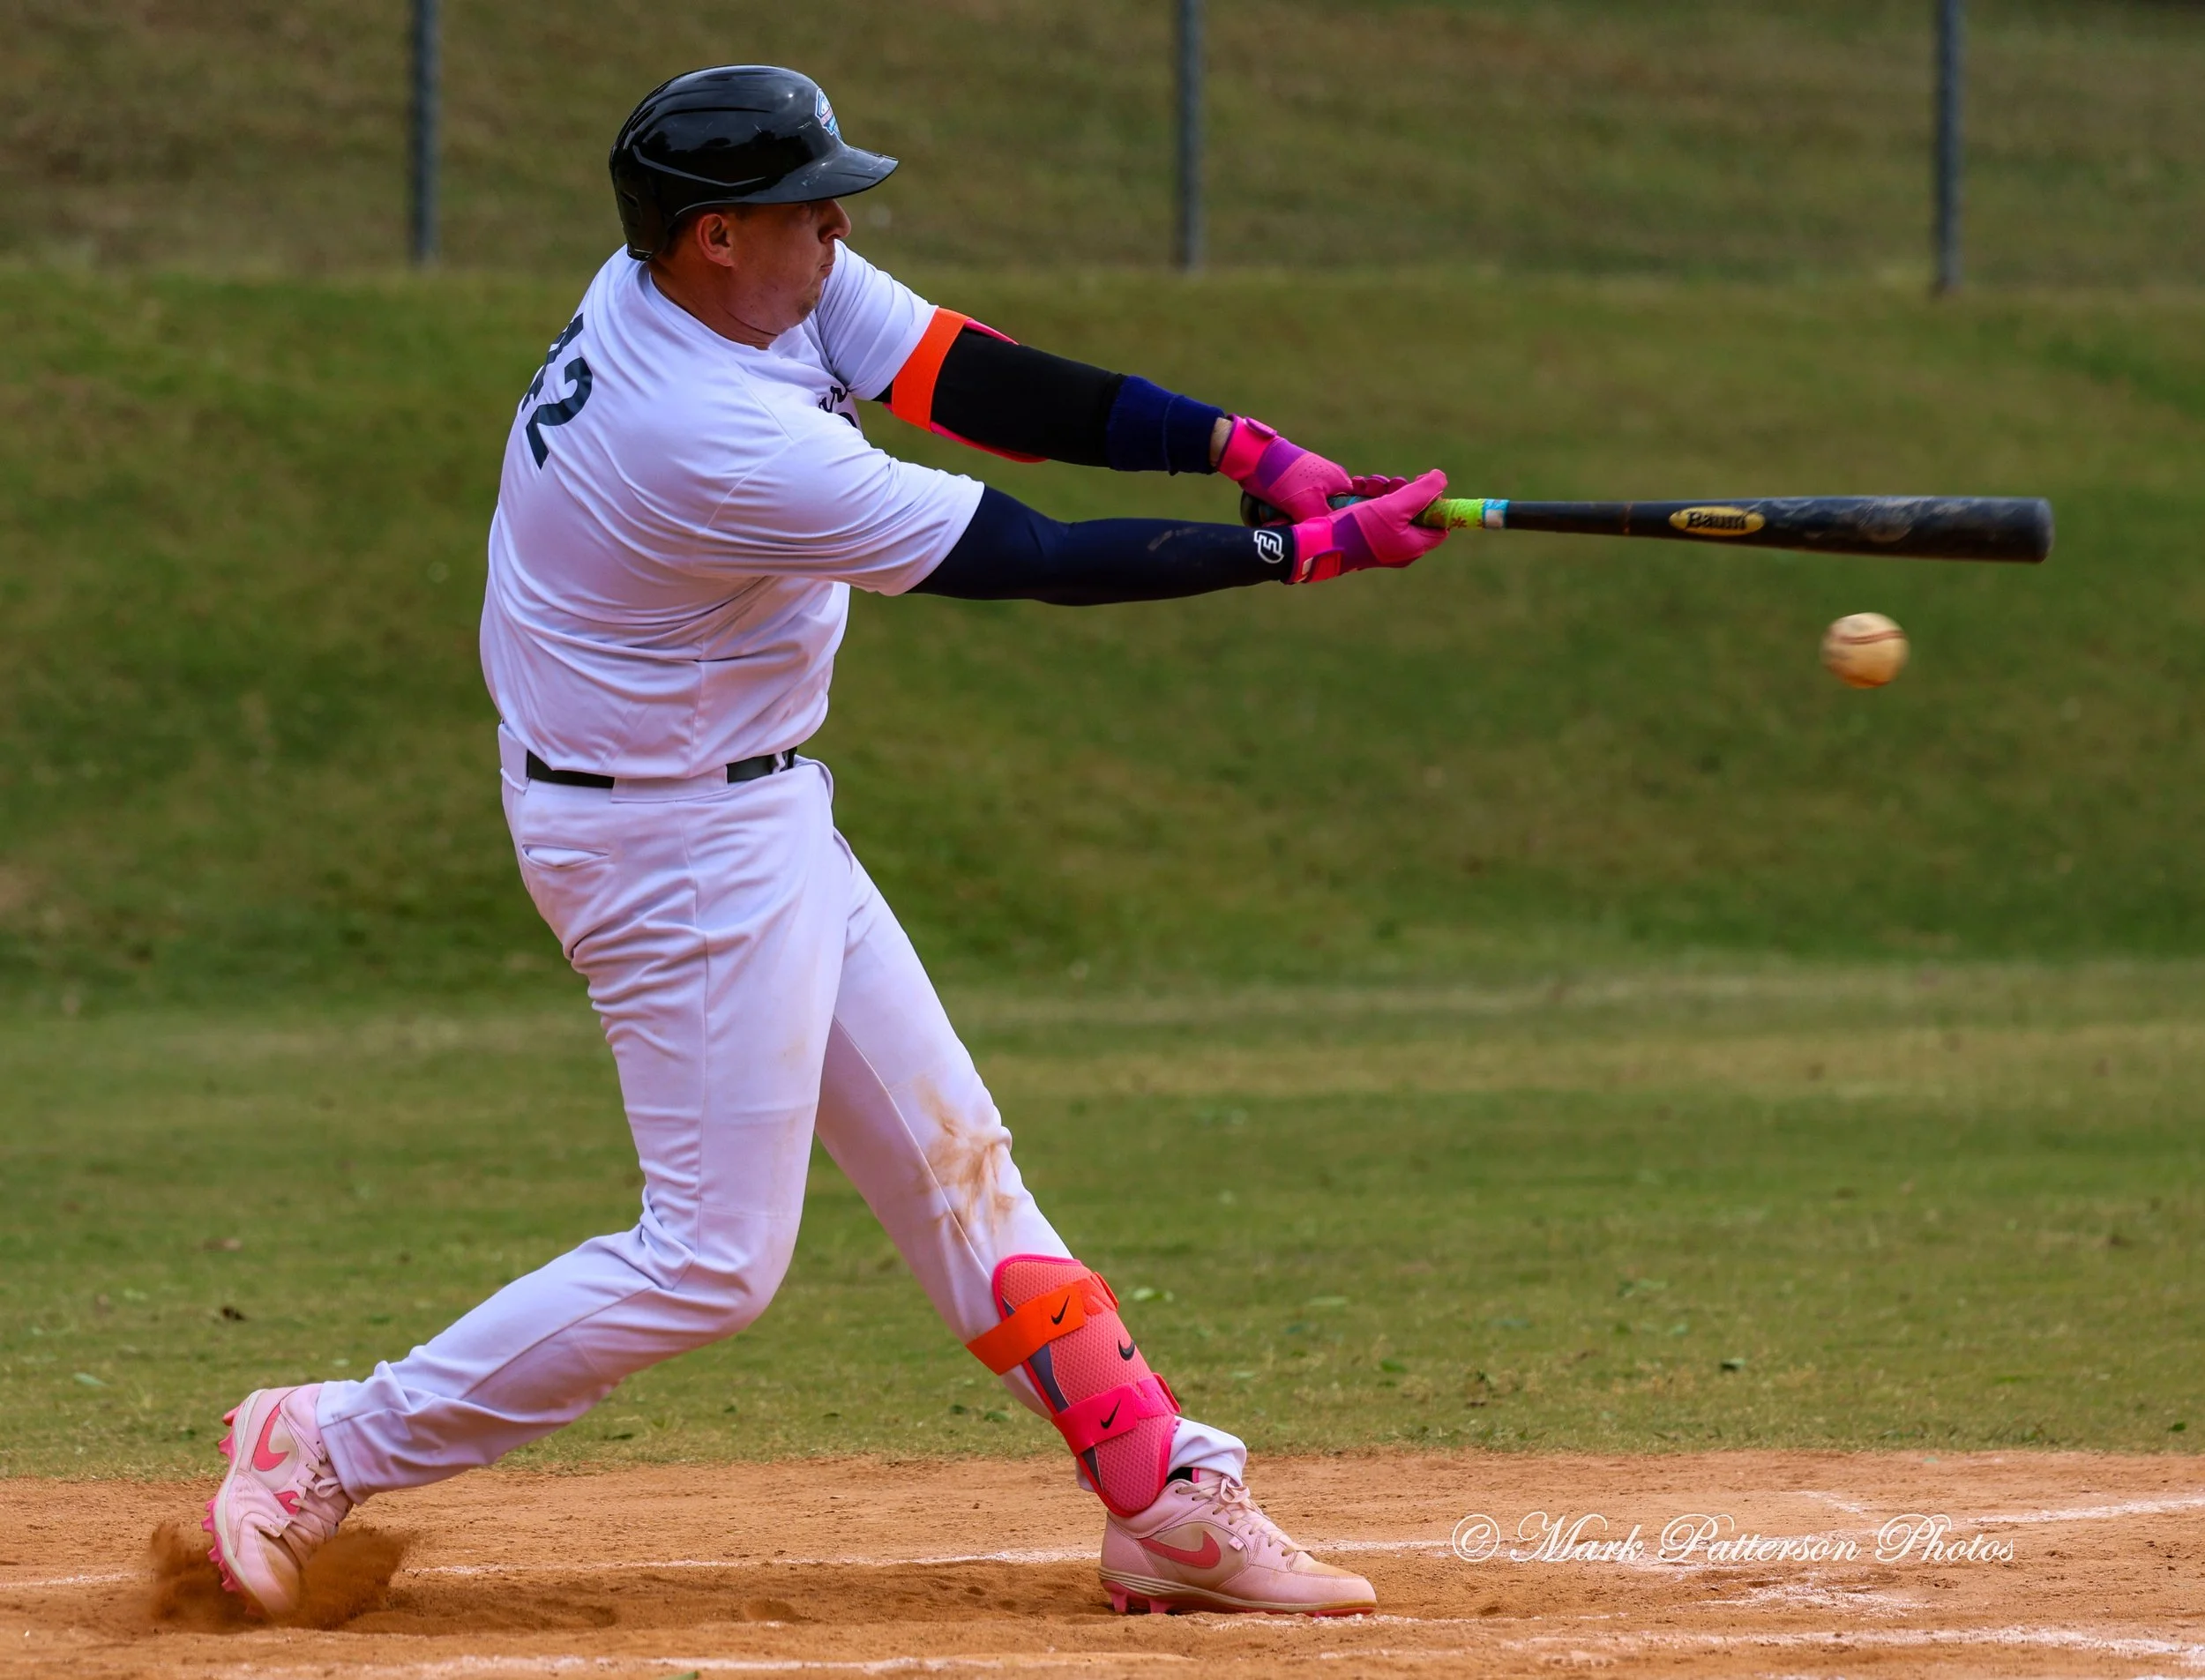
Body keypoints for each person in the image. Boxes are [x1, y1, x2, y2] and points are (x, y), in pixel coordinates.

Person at [203, 64, 1447, 1622]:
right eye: (810, 206)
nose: (839, 226)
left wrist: (1237, 445)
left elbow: (964, 374)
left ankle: (1160, 1497)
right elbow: (1027, 558)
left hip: (746, 802)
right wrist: (1293, 552)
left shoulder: (715, 287)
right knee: (715, 1257)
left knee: (958, 1169)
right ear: (717, 235)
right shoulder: (705, 429)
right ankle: (324, 1439)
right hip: (664, 843)